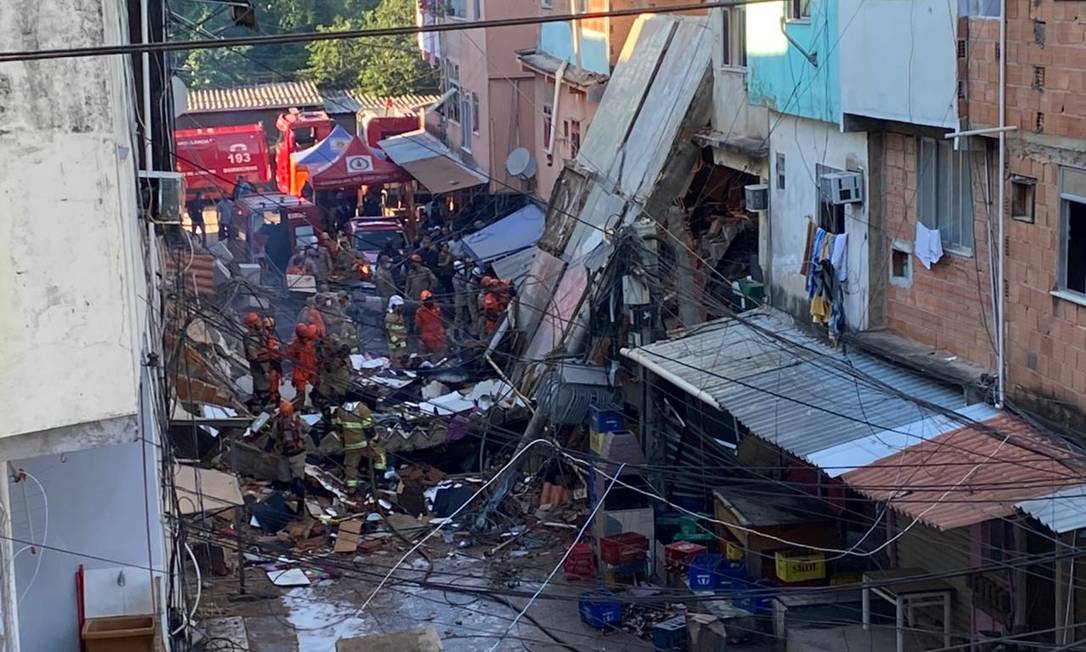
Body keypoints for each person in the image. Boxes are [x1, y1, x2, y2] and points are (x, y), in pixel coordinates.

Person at [265, 400, 308, 517]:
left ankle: (290, 508)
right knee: (295, 482)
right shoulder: (296, 421)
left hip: (288, 456)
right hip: (295, 455)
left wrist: (266, 452)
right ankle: (297, 509)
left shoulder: (280, 423)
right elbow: (311, 431)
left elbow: (272, 438)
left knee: (286, 483)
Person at [332, 399, 376, 494]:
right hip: (363, 443)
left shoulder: (341, 410)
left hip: (350, 444)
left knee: (351, 466)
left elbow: (338, 426)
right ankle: (376, 482)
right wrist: (376, 438)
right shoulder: (363, 409)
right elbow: (369, 428)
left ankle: (351, 488)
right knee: (377, 457)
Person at [242, 312, 271, 410]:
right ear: (253, 325)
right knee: (262, 387)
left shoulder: (263, 333)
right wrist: (264, 371)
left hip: (266, 363)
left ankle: (259, 403)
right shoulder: (251, 338)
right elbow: (253, 356)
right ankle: (258, 407)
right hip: (259, 366)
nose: (261, 322)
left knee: (264, 386)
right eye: (258, 321)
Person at [286, 323, 319, 404]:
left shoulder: (313, 342)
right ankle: (299, 405)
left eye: (306, 337)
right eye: (303, 337)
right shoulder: (295, 344)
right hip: (300, 370)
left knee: (318, 387)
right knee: (300, 392)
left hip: (312, 368)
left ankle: (316, 402)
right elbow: (289, 354)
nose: (305, 339)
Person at [415, 290, 447, 358]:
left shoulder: (437, 308)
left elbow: (442, 320)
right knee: (429, 356)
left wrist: (445, 332)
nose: (429, 301)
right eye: (427, 300)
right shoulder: (420, 312)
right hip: (427, 337)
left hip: (439, 335)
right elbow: (418, 326)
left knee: (442, 354)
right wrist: (419, 339)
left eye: (430, 299)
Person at [451, 260, 472, 341]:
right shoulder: (455, 279)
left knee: (466, 317)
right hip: (459, 301)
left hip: (466, 300)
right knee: (459, 317)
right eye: (460, 269)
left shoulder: (464, 276)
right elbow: (459, 289)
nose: (462, 270)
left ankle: (465, 332)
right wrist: (469, 290)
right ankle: (456, 333)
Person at [385, 295, 408, 366]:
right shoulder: (389, 317)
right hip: (395, 342)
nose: (400, 308)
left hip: (401, 340)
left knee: (402, 356)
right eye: (399, 306)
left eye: (401, 306)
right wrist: (396, 341)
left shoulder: (399, 315)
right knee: (396, 358)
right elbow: (389, 331)